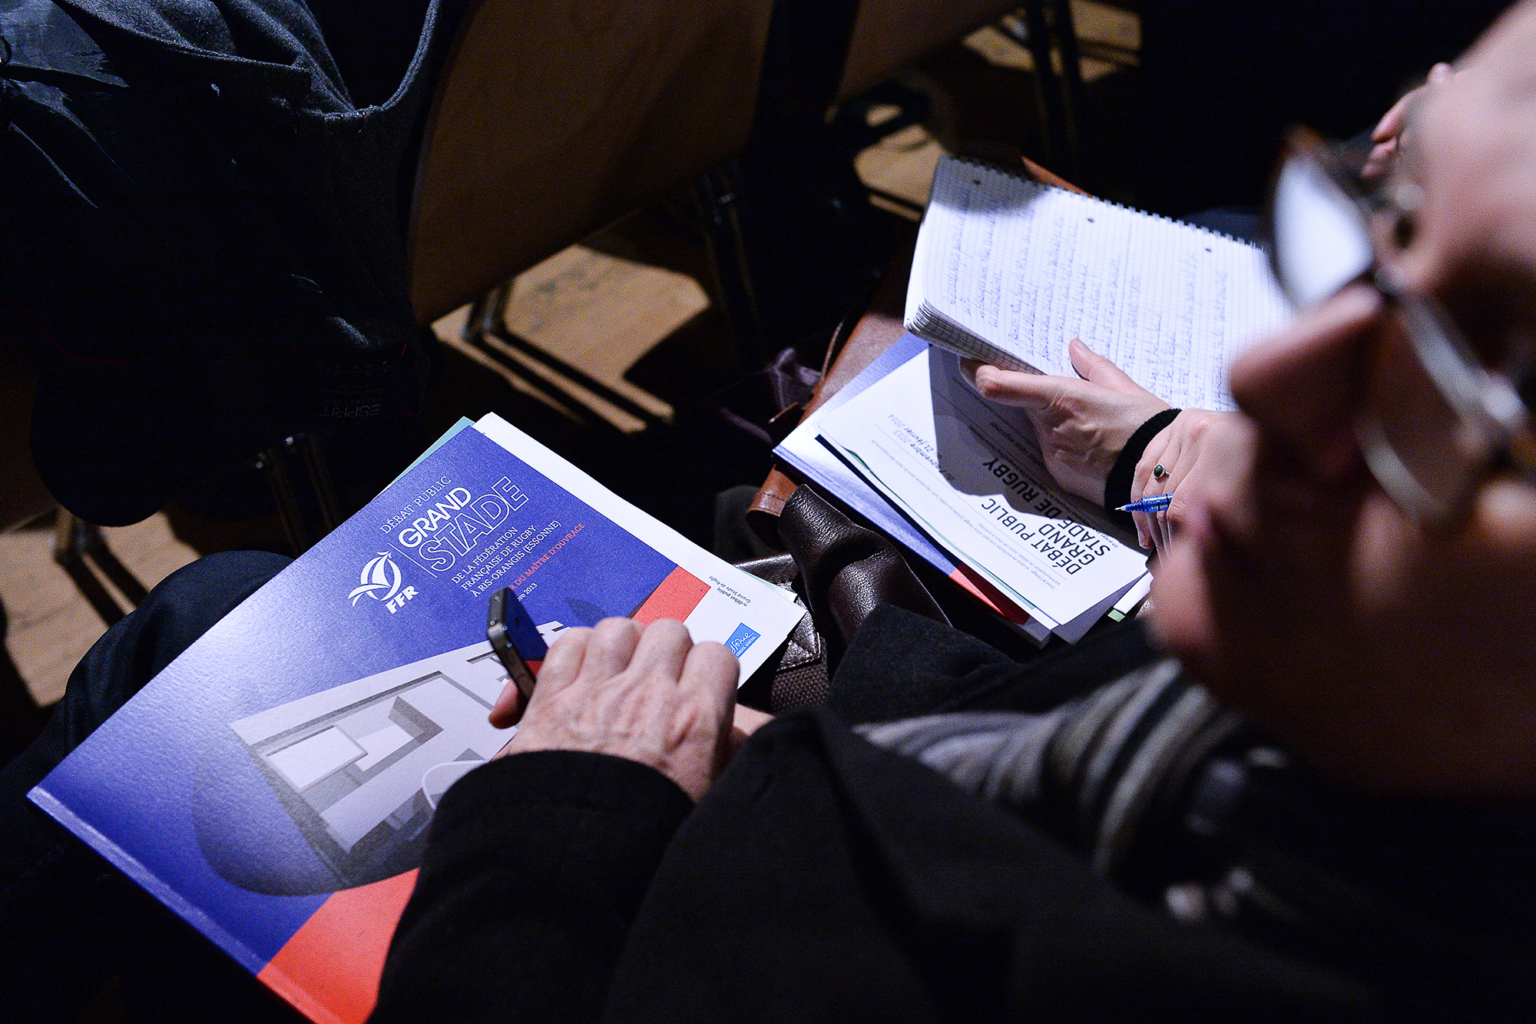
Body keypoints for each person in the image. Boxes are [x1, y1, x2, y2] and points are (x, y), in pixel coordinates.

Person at [7, 4, 1536, 1021]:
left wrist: (578, 804)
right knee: (226, 615)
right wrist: (1148, 450)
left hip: (563, 897)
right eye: (1376, 237)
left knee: (190, 658)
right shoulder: (1327, 744)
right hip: (803, 745)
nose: (1270, 372)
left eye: (1471, 382)